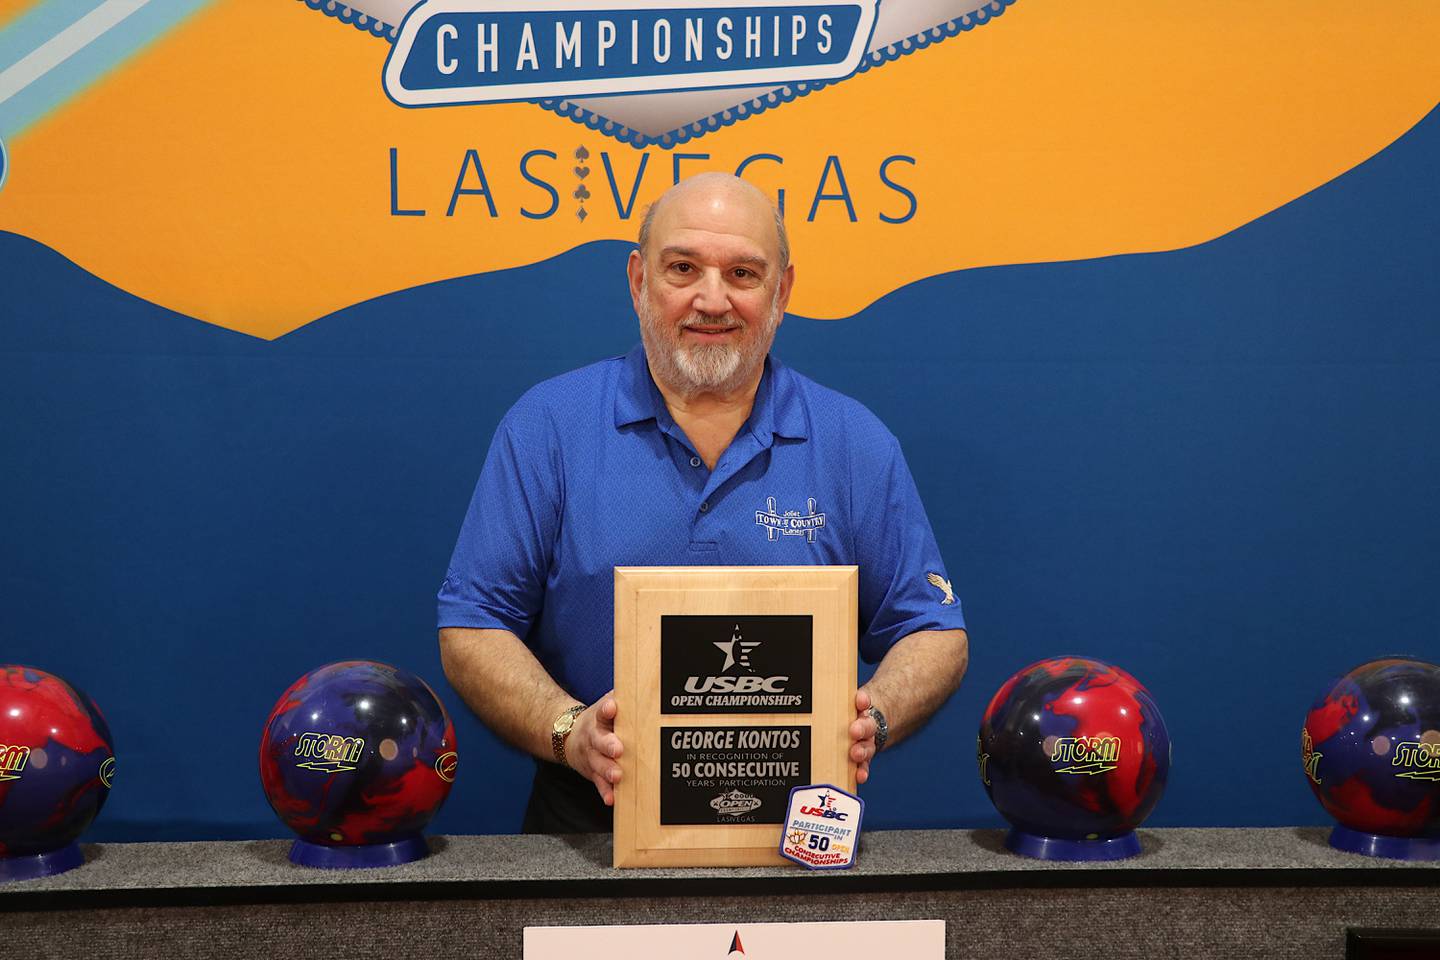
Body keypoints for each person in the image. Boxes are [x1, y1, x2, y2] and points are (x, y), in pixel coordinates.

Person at [438, 173, 968, 832]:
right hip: (588, 832)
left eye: (743, 273)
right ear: (638, 281)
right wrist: (570, 731)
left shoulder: (853, 442)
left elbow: (933, 630)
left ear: (783, 292)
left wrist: (874, 714)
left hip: (804, 834)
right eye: (682, 268)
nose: (710, 299)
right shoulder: (549, 426)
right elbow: (473, 623)